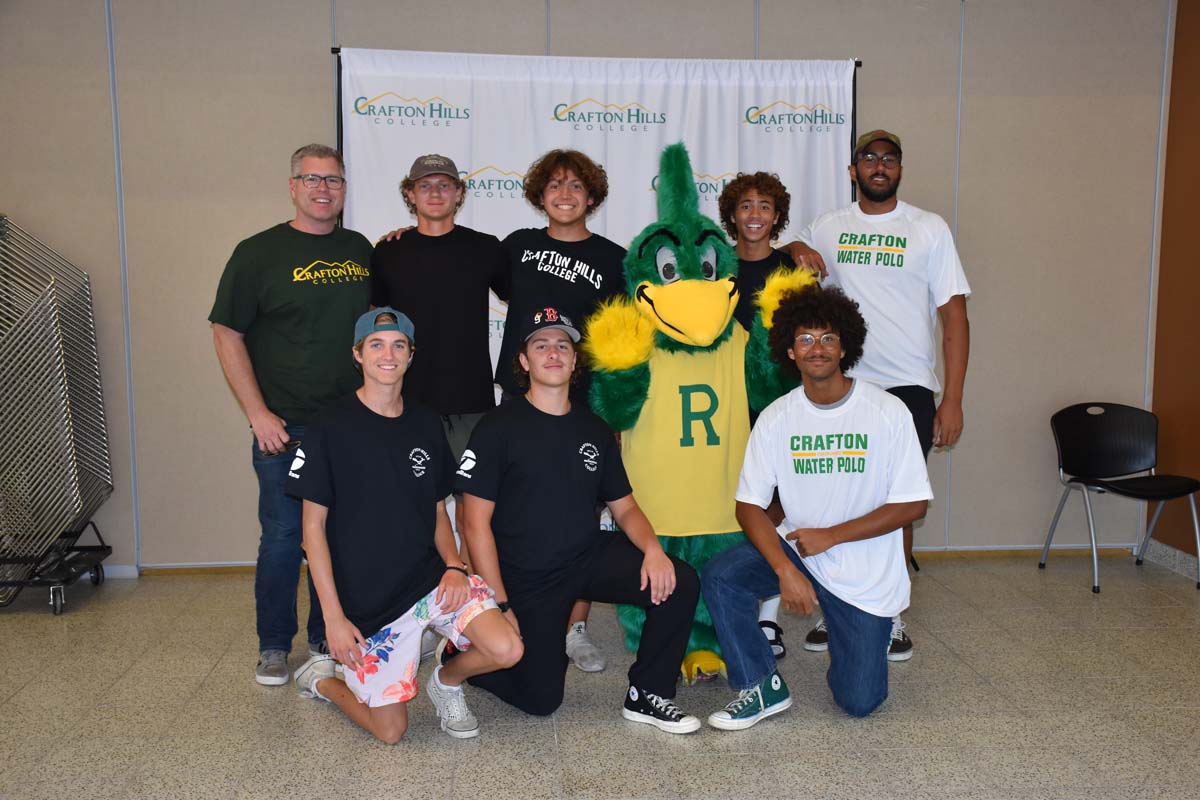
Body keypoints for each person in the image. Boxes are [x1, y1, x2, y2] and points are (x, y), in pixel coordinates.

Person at [456, 307, 702, 733]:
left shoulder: (593, 428)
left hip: (586, 556)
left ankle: (648, 692)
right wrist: (499, 605)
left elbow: (624, 506)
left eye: (562, 345)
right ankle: (461, 657)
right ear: (523, 361)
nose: (553, 353)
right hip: (527, 576)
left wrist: (653, 550)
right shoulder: (497, 427)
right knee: (541, 699)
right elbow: (474, 523)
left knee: (680, 580)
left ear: (574, 360)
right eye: (541, 345)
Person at [287, 309, 522, 742]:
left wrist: (453, 564)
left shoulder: (425, 422)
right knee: (390, 731)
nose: (388, 354)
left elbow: (437, 510)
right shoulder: (328, 426)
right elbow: (312, 531)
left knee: (508, 647)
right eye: (376, 345)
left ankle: (445, 682)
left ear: (411, 356)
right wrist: (334, 620)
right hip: (370, 605)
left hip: (429, 581)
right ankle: (322, 681)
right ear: (357, 354)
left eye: (399, 345)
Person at [702, 286, 932, 729]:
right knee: (721, 575)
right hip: (801, 550)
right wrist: (785, 570)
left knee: (860, 701)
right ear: (790, 351)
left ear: (845, 345)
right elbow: (748, 506)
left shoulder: (887, 411)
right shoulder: (777, 417)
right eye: (805, 339)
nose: (817, 348)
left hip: (863, 568)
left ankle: (865, 633)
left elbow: (913, 504)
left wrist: (833, 535)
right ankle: (760, 685)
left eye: (827, 338)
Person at [786, 129, 971, 660]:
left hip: (909, 387)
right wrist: (798, 245)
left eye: (890, 158)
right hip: (842, 385)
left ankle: (889, 617)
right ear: (853, 171)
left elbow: (954, 317)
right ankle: (834, 607)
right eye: (869, 157)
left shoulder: (928, 229)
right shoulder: (827, 225)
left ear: (899, 170)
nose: (880, 165)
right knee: (834, 496)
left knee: (897, 506)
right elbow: (790, 251)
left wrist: (952, 397)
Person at [209, 143, 371, 686]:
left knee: (341, 537)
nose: (323, 189)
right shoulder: (257, 253)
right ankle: (274, 646)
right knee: (283, 537)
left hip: (349, 426)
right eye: (312, 179)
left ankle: (328, 638)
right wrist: (257, 413)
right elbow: (226, 333)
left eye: (334, 180)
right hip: (284, 427)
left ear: (345, 189)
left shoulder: (361, 249)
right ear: (292, 186)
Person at [497, 149, 627, 674]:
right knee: (516, 509)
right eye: (554, 185)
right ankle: (514, 615)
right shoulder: (516, 248)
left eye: (576, 186)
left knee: (584, 516)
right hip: (522, 399)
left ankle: (575, 626)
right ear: (539, 195)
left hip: (585, 400)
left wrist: (616, 416)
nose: (565, 194)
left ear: (591, 196)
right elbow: (453, 262)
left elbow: (626, 338)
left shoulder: (615, 258)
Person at [369, 153, 511, 539]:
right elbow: (374, 325)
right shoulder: (388, 252)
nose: (435, 192)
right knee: (412, 506)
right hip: (406, 403)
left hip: (471, 404)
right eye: (425, 185)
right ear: (410, 194)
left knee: (475, 515)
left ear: (459, 193)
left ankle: (476, 594)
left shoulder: (485, 248)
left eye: (444, 184)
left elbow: (524, 299)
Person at [717, 171, 797, 333]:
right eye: (746, 206)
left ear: (775, 217)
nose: (755, 215)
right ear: (732, 215)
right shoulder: (715, 268)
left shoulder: (793, 271)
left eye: (764, 207)